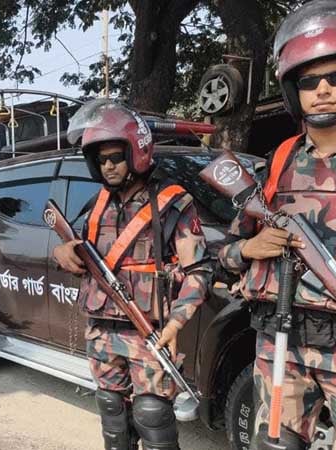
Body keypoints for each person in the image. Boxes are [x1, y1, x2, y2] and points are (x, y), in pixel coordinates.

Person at [218, 2, 336, 448]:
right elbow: (227, 252)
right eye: (308, 81)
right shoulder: (279, 162)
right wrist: (249, 249)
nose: (322, 90)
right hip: (280, 344)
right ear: (294, 91)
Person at [52, 99, 210, 450]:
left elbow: (199, 271)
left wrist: (175, 325)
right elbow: (78, 250)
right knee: (112, 414)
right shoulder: (97, 204)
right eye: (101, 160)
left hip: (149, 332)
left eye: (115, 157)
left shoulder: (171, 202)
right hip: (101, 331)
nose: (108, 166)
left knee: (152, 416)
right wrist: (61, 253)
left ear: (136, 152)